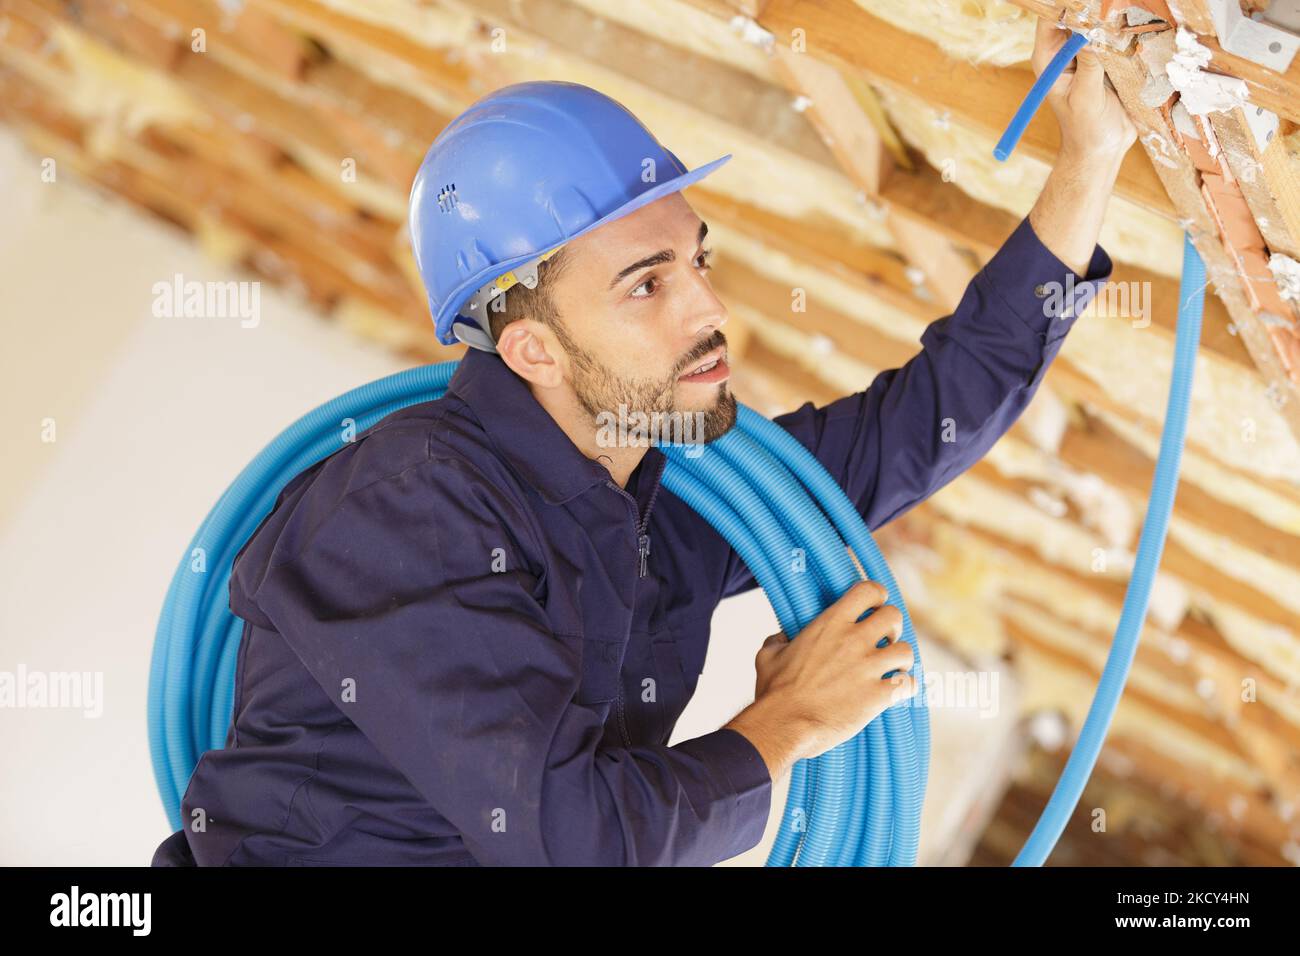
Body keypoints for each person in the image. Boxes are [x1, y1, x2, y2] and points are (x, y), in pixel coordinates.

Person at [152, 21, 1131, 866]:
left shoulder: (659, 508)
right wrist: (788, 719)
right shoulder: (405, 510)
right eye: (646, 283)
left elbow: (920, 426)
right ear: (531, 345)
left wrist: (1088, 160)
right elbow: (570, 840)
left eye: (696, 259)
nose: (710, 306)